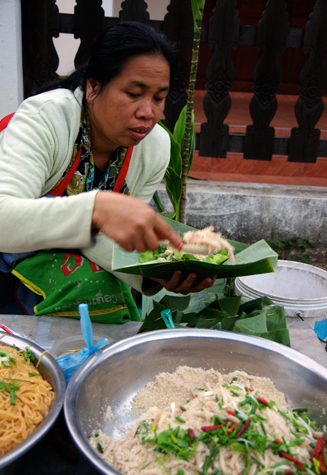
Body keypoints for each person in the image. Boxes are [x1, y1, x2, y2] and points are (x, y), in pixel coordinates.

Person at [0, 21, 216, 319]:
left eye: (158, 97)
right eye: (133, 93)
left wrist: (155, 274)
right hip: (8, 260)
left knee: (112, 295)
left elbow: (110, 242)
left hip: (65, 259)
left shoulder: (154, 148)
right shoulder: (44, 119)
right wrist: (96, 209)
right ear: (93, 86)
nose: (148, 113)